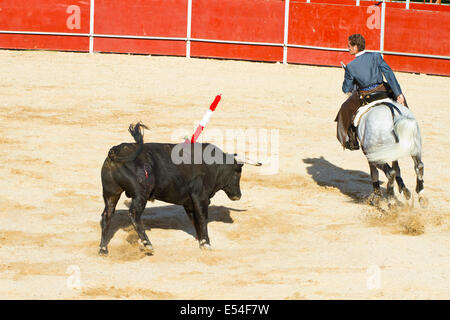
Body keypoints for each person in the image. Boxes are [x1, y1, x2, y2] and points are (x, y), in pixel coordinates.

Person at [335, 34, 407, 150]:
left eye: (349, 46)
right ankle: (408, 121)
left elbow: (346, 89)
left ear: (355, 47)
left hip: (365, 95)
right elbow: (389, 74)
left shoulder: (350, 66)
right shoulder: (376, 56)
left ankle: (351, 141)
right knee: (402, 101)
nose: (348, 48)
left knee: (345, 109)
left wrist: (348, 74)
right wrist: (398, 93)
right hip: (383, 91)